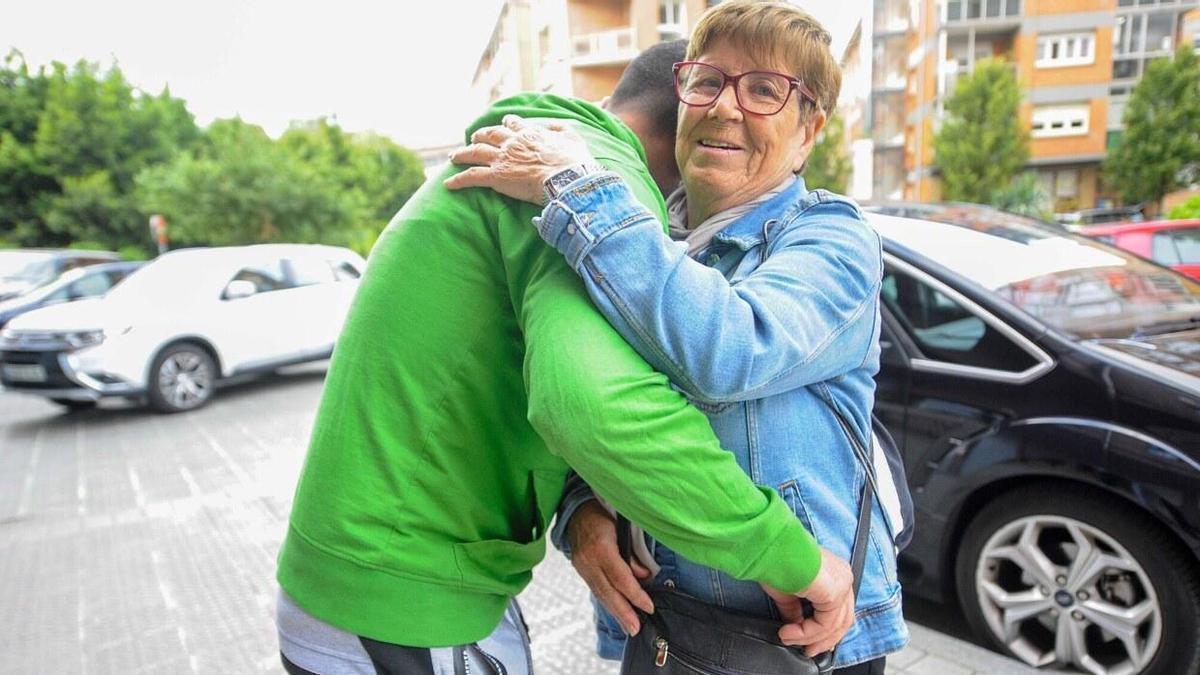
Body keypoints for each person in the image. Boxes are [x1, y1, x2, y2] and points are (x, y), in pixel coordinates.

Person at [275, 41, 857, 675]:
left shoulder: (554, 156)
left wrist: (580, 506)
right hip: (400, 594)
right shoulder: (592, 175)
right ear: (684, 131)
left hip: (378, 577)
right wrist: (791, 558)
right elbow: (593, 405)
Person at [445, 2, 909, 673]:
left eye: (764, 90)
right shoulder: (644, 240)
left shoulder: (831, 237)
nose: (725, 106)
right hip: (662, 632)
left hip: (794, 643)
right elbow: (597, 400)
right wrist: (580, 511)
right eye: (708, 80)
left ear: (809, 130)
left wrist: (576, 188)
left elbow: (730, 349)